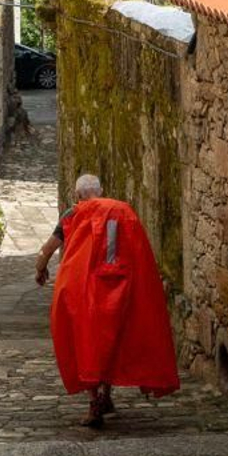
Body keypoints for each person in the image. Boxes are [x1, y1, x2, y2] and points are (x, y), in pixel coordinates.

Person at [36, 174, 179, 427]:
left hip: (85, 292)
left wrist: (40, 269)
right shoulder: (123, 211)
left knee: (86, 343)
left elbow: (48, 248)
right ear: (101, 190)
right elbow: (138, 250)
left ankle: (94, 402)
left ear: (78, 195)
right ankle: (107, 396)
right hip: (120, 289)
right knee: (111, 340)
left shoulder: (72, 214)